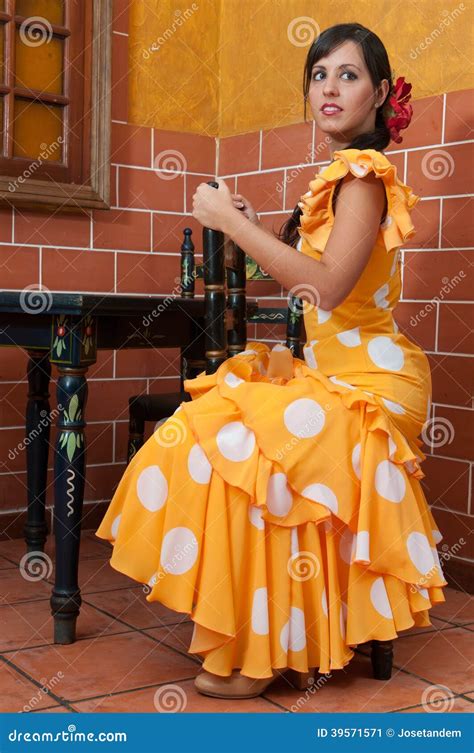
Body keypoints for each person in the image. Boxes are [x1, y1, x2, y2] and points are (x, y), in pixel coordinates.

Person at [96, 22, 447, 700]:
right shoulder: (340, 179)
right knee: (206, 434)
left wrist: (231, 222)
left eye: (347, 74)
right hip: (331, 374)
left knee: (246, 447)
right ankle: (250, 635)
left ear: (379, 93)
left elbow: (327, 288)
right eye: (319, 75)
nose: (329, 88)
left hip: (373, 385)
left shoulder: (363, 176)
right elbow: (311, 278)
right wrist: (253, 225)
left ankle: (258, 654)